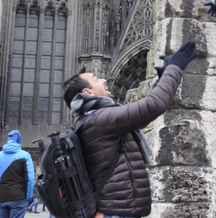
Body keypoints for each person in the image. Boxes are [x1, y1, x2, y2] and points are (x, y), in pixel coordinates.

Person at [61, 41, 196, 218]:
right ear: (88, 92)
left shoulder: (93, 119)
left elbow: (140, 115)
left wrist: (161, 80)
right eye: (96, 79)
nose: (104, 79)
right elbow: (154, 105)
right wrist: (175, 68)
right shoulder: (100, 120)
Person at [0, 130, 35, 218]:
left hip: (2, 196)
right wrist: (29, 196)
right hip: (19, 197)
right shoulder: (25, 155)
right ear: (19, 141)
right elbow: (30, 178)